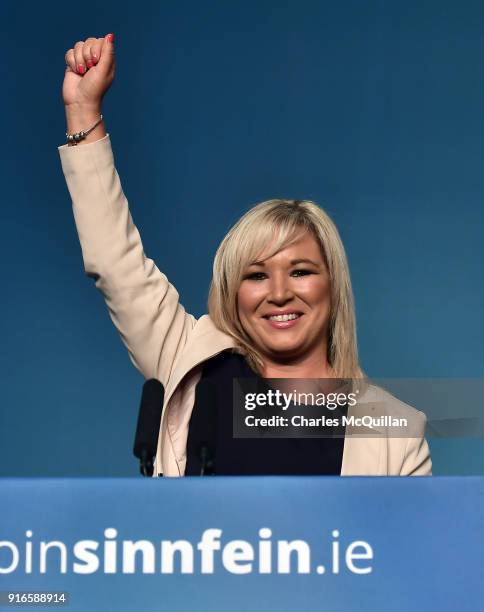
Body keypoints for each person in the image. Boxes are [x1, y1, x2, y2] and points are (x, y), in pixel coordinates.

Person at [59, 34, 432, 477]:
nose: (278, 293)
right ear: (233, 291)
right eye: (256, 275)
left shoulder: (395, 433)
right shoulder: (190, 358)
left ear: (332, 285)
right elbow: (114, 262)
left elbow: (407, 545)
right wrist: (83, 111)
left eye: (299, 271)